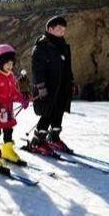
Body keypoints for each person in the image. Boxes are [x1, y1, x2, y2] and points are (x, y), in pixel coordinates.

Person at [29, 16, 73, 154]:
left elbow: (67, 67)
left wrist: (70, 81)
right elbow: (37, 69)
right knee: (47, 112)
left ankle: (54, 137)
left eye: (63, 29)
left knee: (59, 111)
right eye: (58, 29)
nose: (61, 32)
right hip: (48, 87)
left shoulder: (63, 46)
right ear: (50, 29)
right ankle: (38, 140)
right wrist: (41, 87)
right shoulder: (42, 46)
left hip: (62, 86)